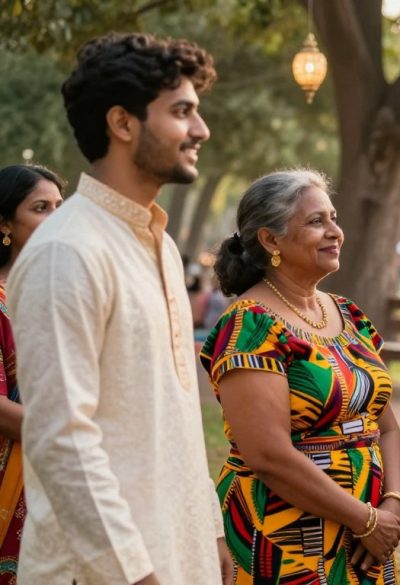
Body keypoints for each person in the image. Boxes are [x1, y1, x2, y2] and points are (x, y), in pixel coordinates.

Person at [7, 33, 229, 584]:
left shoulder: (158, 246)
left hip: (176, 552)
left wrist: (209, 530)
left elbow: (169, 418)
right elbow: (61, 439)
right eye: (182, 112)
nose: (200, 130)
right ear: (122, 123)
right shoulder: (69, 250)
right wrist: (134, 575)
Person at [201, 169, 400, 584]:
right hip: (284, 532)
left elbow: (386, 427)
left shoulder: (349, 315)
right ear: (270, 240)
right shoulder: (249, 326)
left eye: (333, 218)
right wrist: (364, 519)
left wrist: (392, 507)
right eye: (316, 222)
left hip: (369, 531)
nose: (335, 232)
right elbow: (269, 456)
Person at [0, 164, 64, 583]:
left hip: (62, 475)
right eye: (41, 208)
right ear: (4, 224)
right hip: (14, 473)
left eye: (61, 207)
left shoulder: (62, 293)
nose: (56, 219)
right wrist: (73, 437)